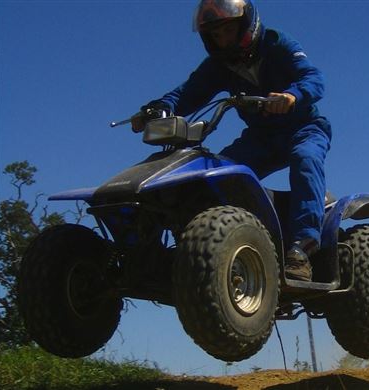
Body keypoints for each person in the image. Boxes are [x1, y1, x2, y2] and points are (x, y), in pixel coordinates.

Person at [132, 0, 331, 282]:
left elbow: (313, 77)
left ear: (247, 24)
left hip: (303, 127)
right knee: (217, 172)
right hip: (261, 137)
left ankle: (303, 245)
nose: (223, 39)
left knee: (306, 158)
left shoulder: (277, 44)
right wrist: (158, 109)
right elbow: (188, 92)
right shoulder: (219, 66)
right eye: (216, 35)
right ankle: (217, 241)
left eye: (228, 30)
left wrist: (292, 96)